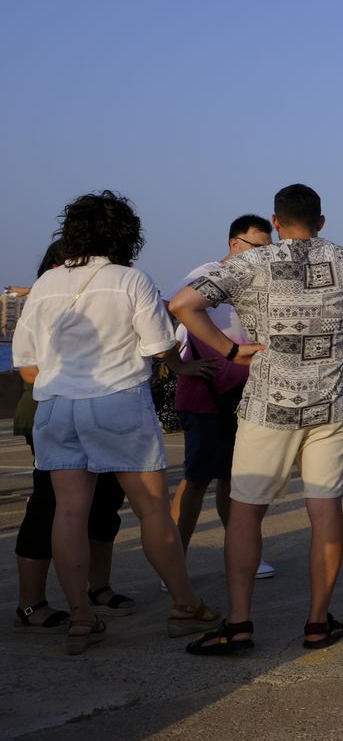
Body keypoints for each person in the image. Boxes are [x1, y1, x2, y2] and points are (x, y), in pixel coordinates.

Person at [170, 183, 343, 655]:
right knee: (325, 507)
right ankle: (317, 621)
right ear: (321, 221)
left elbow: (183, 304)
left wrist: (229, 350)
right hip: (333, 402)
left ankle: (240, 623)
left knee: (246, 511)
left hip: (269, 402)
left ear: (277, 222)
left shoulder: (251, 262)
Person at [13, 191, 223, 654]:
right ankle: (185, 605)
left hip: (56, 406)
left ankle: (82, 619)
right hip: (117, 404)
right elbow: (157, 345)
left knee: (68, 513)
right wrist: (183, 366)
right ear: (127, 234)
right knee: (151, 509)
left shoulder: (46, 284)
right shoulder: (131, 280)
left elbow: (26, 359)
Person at [12, 240, 137, 635]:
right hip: (50, 413)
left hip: (102, 413)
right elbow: (27, 369)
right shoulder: (42, 302)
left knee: (105, 503)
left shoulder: (102, 300)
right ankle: (30, 603)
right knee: (48, 505)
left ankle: (98, 586)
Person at [169, 214, 277, 581]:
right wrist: (224, 353)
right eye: (257, 247)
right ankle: (173, 565)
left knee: (239, 479)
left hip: (247, 391)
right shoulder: (205, 274)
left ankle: (243, 555)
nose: (264, 254)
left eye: (269, 248)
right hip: (207, 390)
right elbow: (179, 312)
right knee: (196, 478)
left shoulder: (264, 280)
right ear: (235, 244)